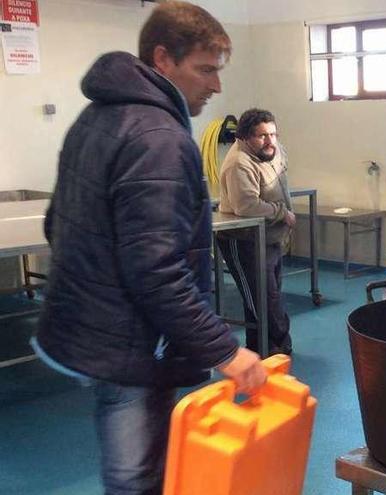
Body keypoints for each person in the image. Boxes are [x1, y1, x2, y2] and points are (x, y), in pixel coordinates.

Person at [33, 3, 266, 493]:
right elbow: (158, 272)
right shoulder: (159, 137)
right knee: (136, 479)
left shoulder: (95, 118)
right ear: (163, 59)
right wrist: (226, 351)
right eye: (205, 70)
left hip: (92, 331)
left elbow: (58, 224)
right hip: (132, 344)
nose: (216, 86)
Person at [217, 108, 294, 356]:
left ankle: (261, 348)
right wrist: (282, 212)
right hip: (244, 241)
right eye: (262, 136)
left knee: (268, 294)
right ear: (245, 137)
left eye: (273, 134)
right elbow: (247, 205)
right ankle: (281, 347)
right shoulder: (239, 163)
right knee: (262, 298)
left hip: (269, 237)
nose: (271, 140)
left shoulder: (272, 150)